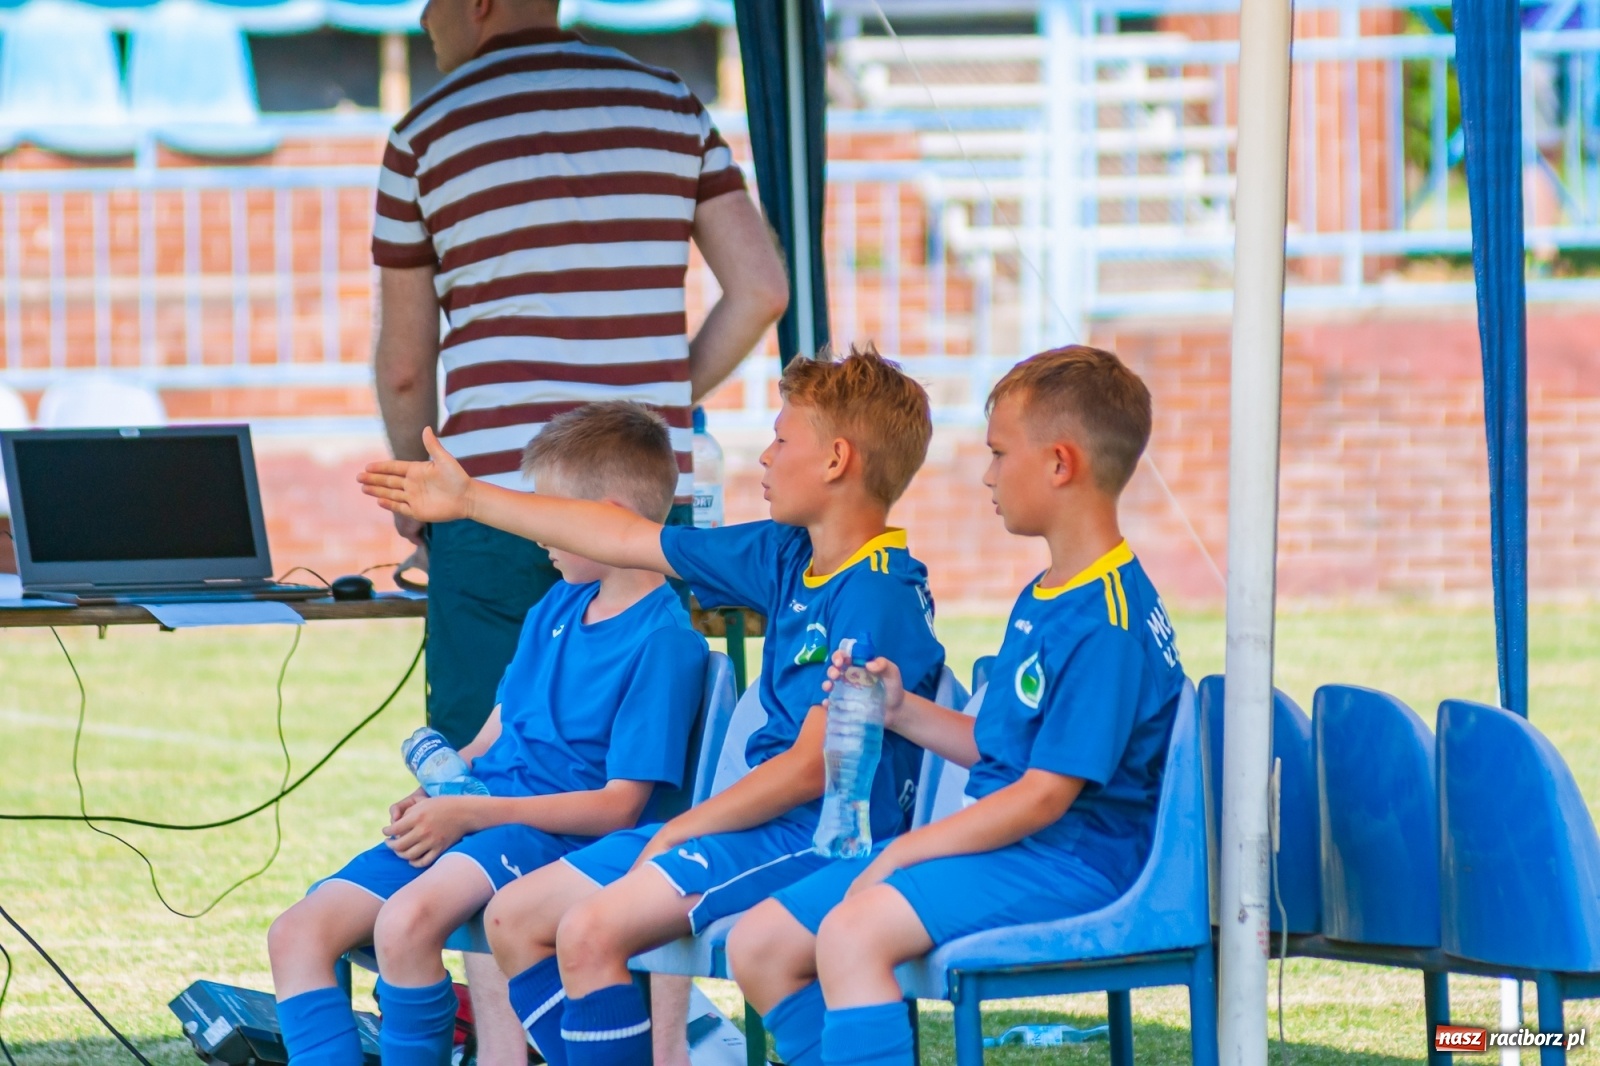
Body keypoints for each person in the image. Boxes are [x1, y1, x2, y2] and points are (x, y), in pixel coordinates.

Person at [371, 0, 787, 1051]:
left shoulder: (426, 130)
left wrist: (431, 499)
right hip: (636, 505)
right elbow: (762, 288)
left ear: (475, 5)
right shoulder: (669, 103)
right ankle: (660, 1013)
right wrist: (654, 407)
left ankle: (509, 1038)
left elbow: (407, 363)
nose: (425, 23)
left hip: (492, 495)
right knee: (644, 766)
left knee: (483, 782)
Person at [358, 346, 947, 1066]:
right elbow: (625, 536)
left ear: (835, 461)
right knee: (516, 919)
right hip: (752, 823)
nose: (762, 456)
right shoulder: (788, 553)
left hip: (806, 836)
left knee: (587, 932)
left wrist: (688, 824)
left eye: (781, 438)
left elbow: (809, 772)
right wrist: (471, 501)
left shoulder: (874, 591)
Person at [721, 346, 1186, 1066]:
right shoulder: (1051, 591)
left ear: (1060, 465)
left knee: (851, 935)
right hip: (1020, 849)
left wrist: (903, 851)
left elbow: (1040, 798)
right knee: (760, 945)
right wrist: (900, 710)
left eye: (1000, 454)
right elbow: (1000, 749)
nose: (988, 474)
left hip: (1071, 863)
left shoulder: (1109, 621)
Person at [269, 403, 709, 1066]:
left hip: (550, 835)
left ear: (608, 515)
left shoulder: (665, 642)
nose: (536, 534)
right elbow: (491, 737)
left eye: (548, 514)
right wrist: (439, 793)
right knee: (297, 934)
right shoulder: (555, 603)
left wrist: (470, 809)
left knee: (404, 925)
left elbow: (618, 807)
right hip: (479, 813)